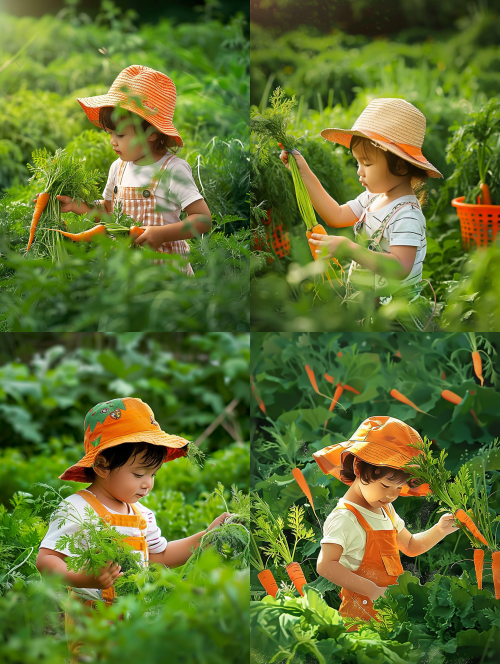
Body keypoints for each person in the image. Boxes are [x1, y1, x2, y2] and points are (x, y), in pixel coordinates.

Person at [36, 397, 229, 663]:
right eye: (139, 474)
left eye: (153, 474)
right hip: (93, 623)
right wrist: (85, 578)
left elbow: (159, 556)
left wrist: (207, 536)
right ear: (102, 465)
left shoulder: (141, 514)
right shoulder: (77, 508)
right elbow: (46, 560)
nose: (147, 484)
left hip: (136, 617)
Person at [280, 98, 441, 330]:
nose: (359, 171)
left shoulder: (407, 216)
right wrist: (302, 170)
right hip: (371, 308)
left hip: (399, 317)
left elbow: (399, 267)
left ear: (402, 167)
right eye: (357, 162)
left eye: (366, 163)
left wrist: (349, 249)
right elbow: (335, 215)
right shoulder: (372, 199)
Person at [34, 65, 212, 275]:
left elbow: (202, 219)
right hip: (121, 269)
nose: (112, 142)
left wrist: (162, 234)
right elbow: (109, 212)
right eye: (110, 133)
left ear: (152, 133)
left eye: (120, 135)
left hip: (164, 274)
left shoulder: (172, 170)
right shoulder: (118, 168)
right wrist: (76, 205)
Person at [312, 416, 459, 630]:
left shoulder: (385, 510)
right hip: (361, 618)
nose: (391, 496)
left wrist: (440, 530)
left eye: (399, 489)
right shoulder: (345, 518)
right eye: (385, 485)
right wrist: (371, 590)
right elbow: (325, 565)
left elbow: (410, 546)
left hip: (392, 611)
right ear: (358, 468)